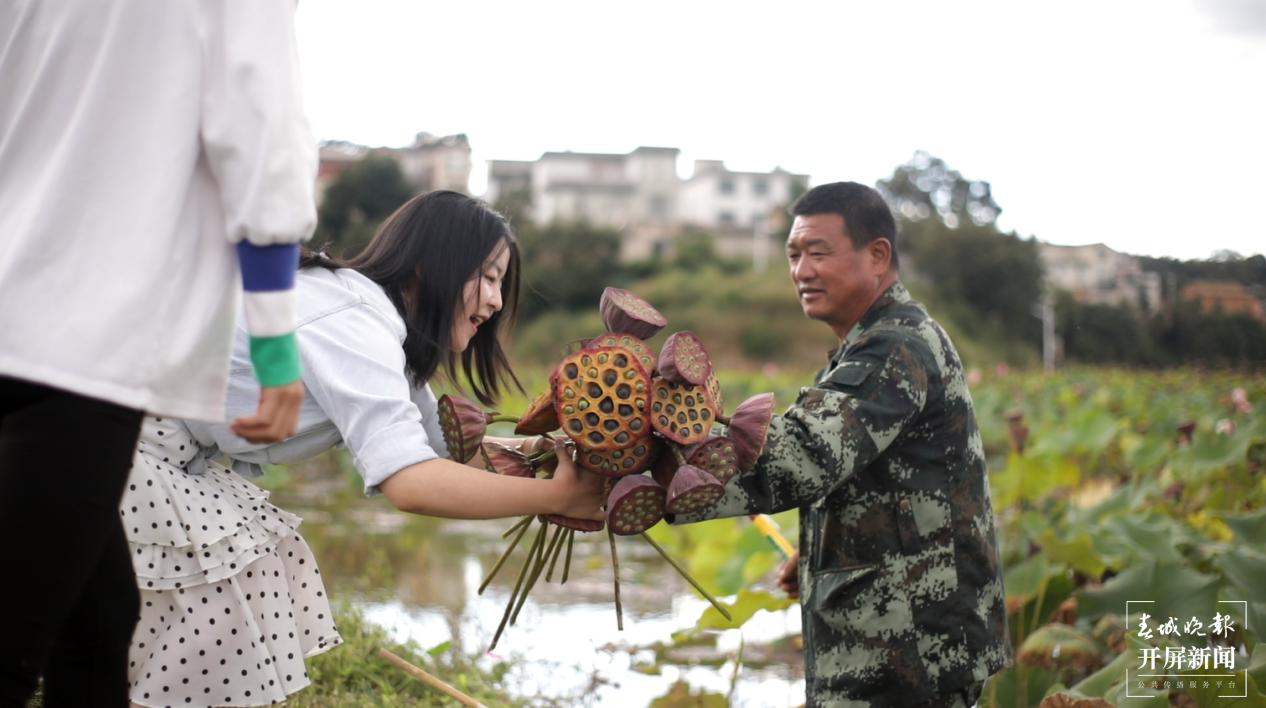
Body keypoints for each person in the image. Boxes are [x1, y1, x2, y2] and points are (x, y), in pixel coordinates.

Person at [120, 190, 608, 708]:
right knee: (217, 627)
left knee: (190, 638)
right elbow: (412, 481)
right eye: (487, 277)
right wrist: (556, 497)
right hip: (124, 447)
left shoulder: (369, 324)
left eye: (500, 283)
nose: (496, 300)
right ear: (430, 263)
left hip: (150, 451)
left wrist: (546, 449)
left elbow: (441, 451)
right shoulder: (353, 324)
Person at [0, 2, 314, 706]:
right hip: (79, 342)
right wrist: (273, 344)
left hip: (24, 318)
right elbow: (266, 146)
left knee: (98, 620)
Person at [669, 182, 1009, 708]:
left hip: (913, 657)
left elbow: (801, 456)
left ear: (877, 256)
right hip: (894, 647)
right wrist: (819, 554)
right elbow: (892, 491)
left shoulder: (896, 348)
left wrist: (659, 458)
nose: (801, 270)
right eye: (793, 254)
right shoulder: (867, 346)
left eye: (818, 253)